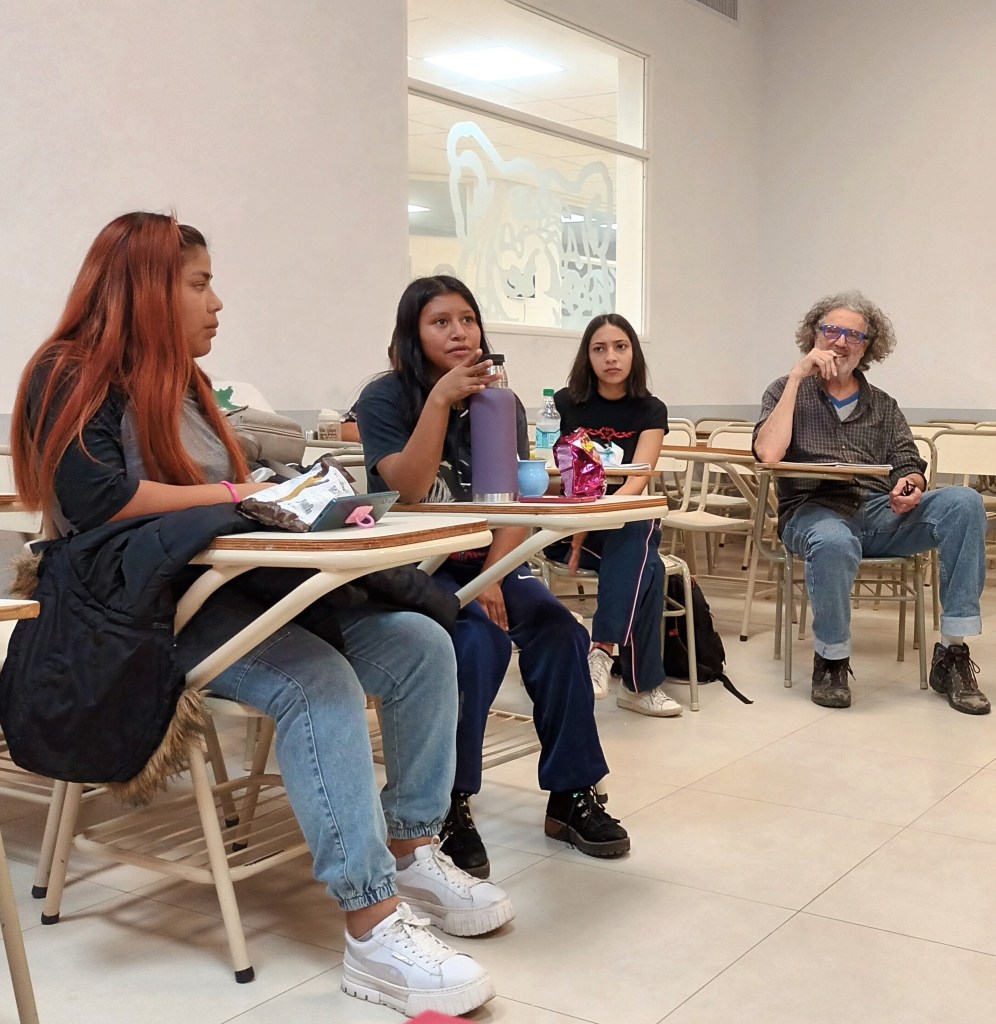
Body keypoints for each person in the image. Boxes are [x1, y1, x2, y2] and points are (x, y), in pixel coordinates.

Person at [10, 213, 511, 1018]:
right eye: (200, 284)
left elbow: (228, 498)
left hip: (235, 586)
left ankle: (412, 849)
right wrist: (238, 494)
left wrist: (282, 497)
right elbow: (97, 497)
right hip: (142, 609)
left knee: (421, 643)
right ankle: (372, 926)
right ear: (146, 289)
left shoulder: (188, 384)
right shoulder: (66, 372)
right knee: (320, 683)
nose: (217, 303)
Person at [357, 275, 630, 880]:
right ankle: (448, 803)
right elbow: (406, 487)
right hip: (413, 565)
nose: (459, 332)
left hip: (487, 561)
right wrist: (439, 402)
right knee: (474, 643)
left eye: (467, 319)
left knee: (562, 632)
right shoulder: (385, 398)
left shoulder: (499, 400)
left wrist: (493, 577)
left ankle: (572, 793)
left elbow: (512, 503)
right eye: (440, 322)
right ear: (412, 334)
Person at [753, 290, 989, 714]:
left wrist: (910, 485)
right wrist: (796, 377)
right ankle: (831, 660)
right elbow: (768, 454)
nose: (841, 342)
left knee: (965, 503)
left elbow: (907, 461)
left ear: (867, 349)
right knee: (833, 540)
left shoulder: (882, 404)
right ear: (814, 336)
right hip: (812, 512)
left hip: (878, 512)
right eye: (831, 331)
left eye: (854, 336)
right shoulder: (785, 390)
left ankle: (952, 653)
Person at [542, 313, 679, 716]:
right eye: (599, 349)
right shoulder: (565, 404)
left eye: (620, 347)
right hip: (571, 530)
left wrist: (603, 515)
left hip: (619, 524)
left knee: (637, 533)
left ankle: (601, 648)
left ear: (634, 353)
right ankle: (639, 687)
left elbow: (638, 479)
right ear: (587, 356)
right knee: (648, 566)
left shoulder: (650, 410)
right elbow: (552, 475)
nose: (611, 357)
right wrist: (583, 523)